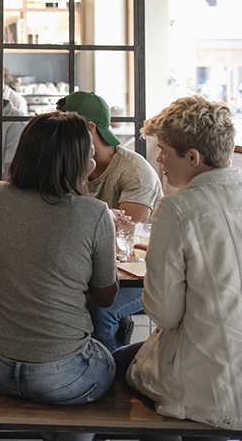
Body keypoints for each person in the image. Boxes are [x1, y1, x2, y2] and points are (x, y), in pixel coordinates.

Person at [0, 111, 118, 425]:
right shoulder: (94, 213)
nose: (93, 164)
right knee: (118, 360)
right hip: (61, 374)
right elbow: (105, 298)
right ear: (77, 162)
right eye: (89, 157)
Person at [114, 96, 242, 430]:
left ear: (193, 157)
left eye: (164, 150)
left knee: (109, 370)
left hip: (204, 382)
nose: (158, 159)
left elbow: (164, 313)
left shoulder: (176, 209)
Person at [58, 91, 162, 351]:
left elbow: (124, 239)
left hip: (142, 277)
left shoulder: (134, 171)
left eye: (64, 125)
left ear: (89, 128)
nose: (57, 134)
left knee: (100, 309)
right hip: (95, 269)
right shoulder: (69, 164)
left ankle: (108, 381)